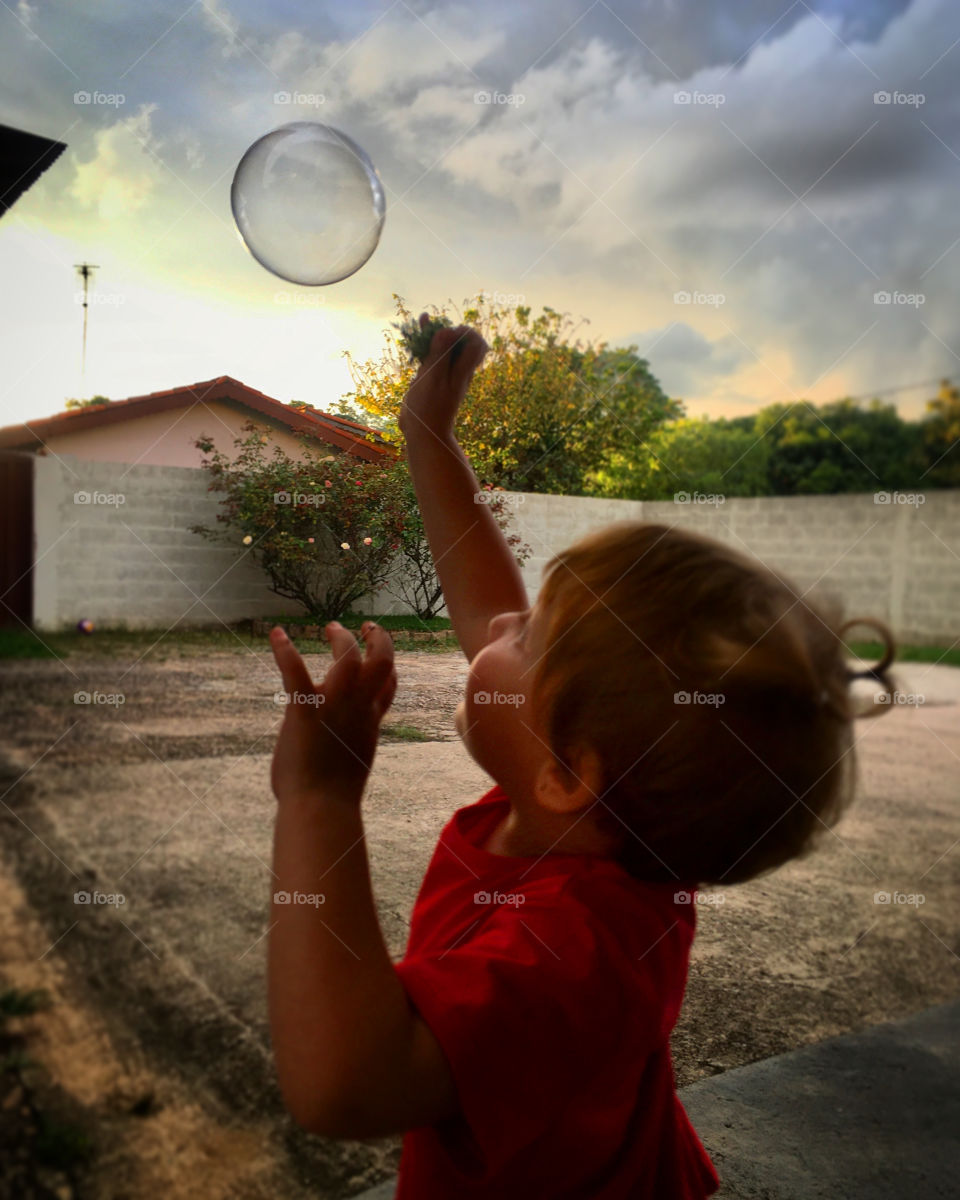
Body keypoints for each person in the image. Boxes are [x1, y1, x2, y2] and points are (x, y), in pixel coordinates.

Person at [266, 315, 896, 1198]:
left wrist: (318, 801)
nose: (498, 621)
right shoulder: (611, 834)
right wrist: (428, 439)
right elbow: (489, 598)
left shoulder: (571, 951)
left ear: (566, 771)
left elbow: (348, 1083)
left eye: (531, 633)